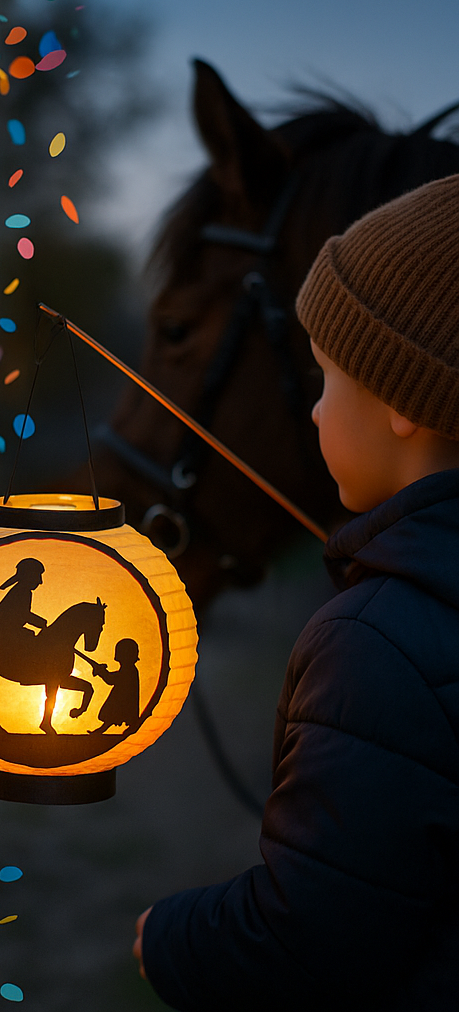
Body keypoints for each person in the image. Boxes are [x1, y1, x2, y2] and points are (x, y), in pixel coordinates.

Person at [132, 174, 459, 1009]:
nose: (314, 413)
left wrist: (168, 936)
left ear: (404, 400)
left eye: (325, 377)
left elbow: (313, 937)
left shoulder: (378, 640)